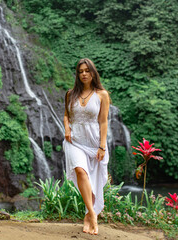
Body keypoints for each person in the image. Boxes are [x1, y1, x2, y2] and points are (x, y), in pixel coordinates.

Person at [63, 58, 110, 235]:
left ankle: (87, 216)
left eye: (87, 70)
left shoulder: (102, 95)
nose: (84, 74)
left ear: (93, 73)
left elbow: (103, 122)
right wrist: (67, 128)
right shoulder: (70, 94)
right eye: (80, 71)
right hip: (74, 140)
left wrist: (102, 146)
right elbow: (67, 115)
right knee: (80, 171)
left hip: (94, 142)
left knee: (93, 181)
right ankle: (93, 215)